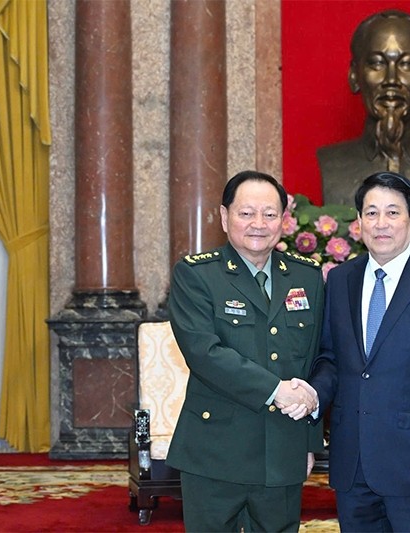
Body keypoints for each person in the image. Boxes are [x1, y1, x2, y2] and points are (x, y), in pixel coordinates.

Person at [289, 172, 410, 532]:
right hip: (353, 462)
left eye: (393, 212)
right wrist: (311, 396)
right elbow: (330, 358)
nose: (381, 223)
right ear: (358, 222)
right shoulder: (340, 280)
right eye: (371, 213)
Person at [166, 170, 325, 532]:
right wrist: (277, 390)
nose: (259, 224)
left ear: (283, 220)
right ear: (224, 217)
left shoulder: (307, 277)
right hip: (215, 451)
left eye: (270, 214)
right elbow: (205, 353)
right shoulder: (197, 275)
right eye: (246, 213)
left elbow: (314, 359)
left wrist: (308, 443)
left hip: (282, 449)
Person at [318, 9, 410, 206]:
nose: (391, 80)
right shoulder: (332, 163)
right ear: (354, 75)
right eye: (377, 63)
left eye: (406, 64)